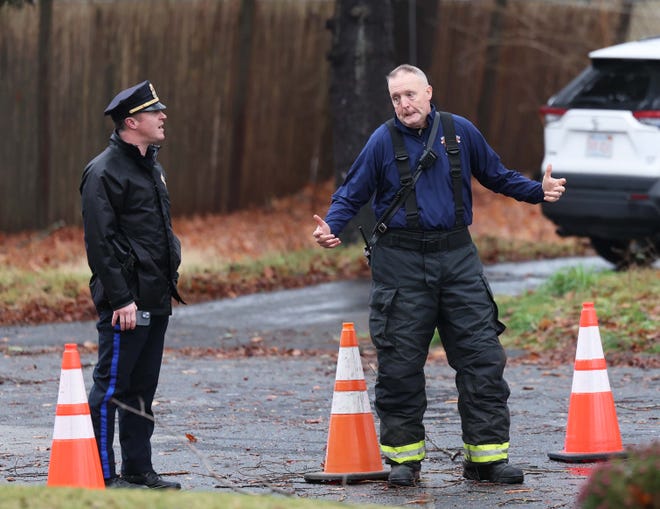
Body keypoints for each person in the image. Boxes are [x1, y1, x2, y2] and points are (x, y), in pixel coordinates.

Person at [312, 64, 566, 487]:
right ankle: (404, 460)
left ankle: (486, 458)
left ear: (429, 92)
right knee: (399, 364)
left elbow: (497, 176)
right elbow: (351, 192)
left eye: (410, 94)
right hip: (400, 263)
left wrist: (539, 192)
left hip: (457, 257)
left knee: (482, 357)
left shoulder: (460, 131)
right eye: (396, 98)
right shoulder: (381, 141)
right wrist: (331, 227)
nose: (404, 104)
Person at [80, 80, 185, 490]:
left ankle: (138, 469)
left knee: (142, 388)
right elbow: (100, 244)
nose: (163, 117)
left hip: (156, 296)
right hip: (125, 303)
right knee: (112, 389)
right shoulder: (103, 171)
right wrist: (121, 298)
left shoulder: (151, 166)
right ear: (131, 121)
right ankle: (102, 475)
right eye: (154, 112)